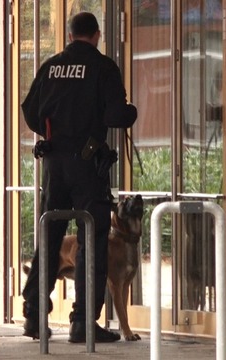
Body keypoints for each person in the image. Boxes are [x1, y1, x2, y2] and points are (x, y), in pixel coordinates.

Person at [20, 12, 137, 343]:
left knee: (50, 237)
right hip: (88, 166)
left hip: (55, 163)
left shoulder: (52, 66)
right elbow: (116, 115)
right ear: (97, 34)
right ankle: (82, 323)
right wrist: (130, 114)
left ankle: (33, 315)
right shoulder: (103, 67)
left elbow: (30, 111)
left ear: (70, 35)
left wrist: (52, 130)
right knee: (93, 240)